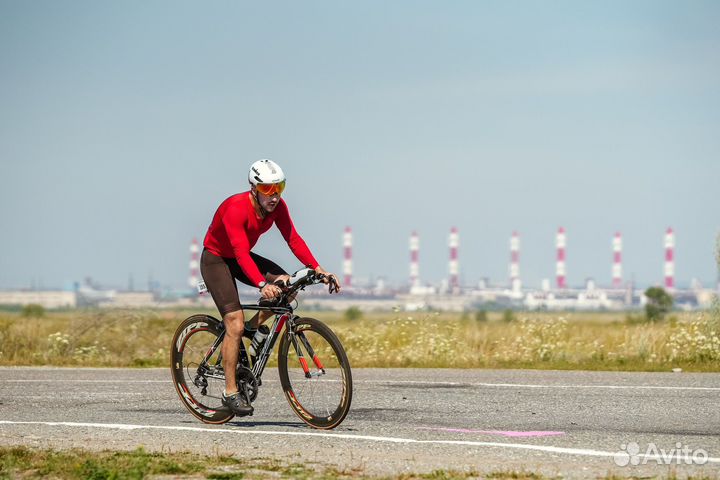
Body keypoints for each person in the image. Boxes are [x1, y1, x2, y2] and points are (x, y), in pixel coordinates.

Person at [201, 159, 340, 416]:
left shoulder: (277, 207)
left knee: (289, 284)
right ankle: (230, 392)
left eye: (279, 187)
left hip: (241, 257)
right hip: (217, 259)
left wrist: (317, 269)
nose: (274, 195)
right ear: (254, 188)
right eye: (267, 189)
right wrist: (262, 284)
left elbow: (293, 238)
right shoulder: (236, 209)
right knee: (234, 323)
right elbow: (240, 253)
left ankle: (254, 329)